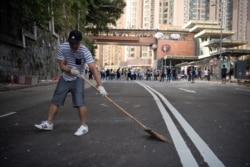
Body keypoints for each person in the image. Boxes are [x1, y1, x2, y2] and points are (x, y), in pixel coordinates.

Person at [34, 30, 107, 136]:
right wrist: (70, 70)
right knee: (56, 99)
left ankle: (83, 126)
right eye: (71, 43)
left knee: (79, 102)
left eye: (75, 43)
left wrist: (100, 85)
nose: (73, 45)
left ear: (80, 42)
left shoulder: (84, 51)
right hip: (66, 77)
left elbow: (93, 68)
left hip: (78, 78)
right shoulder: (63, 47)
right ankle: (49, 123)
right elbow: (61, 65)